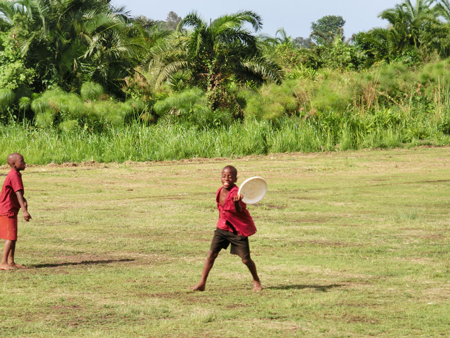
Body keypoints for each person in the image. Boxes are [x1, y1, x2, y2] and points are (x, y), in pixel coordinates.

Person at [192, 165, 262, 291]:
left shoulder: (238, 194)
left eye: (230, 177)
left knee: (246, 260)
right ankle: (201, 283)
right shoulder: (220, 191)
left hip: (237, 231)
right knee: (211, 254)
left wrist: (236, 203)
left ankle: (256, 281)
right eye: (224, 176)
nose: (226, 179)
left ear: (235, 179)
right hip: (222, 229)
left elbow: (239, 210)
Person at [0, 153, 32, 270]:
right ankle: (3, 263)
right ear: (14, 164)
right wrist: (24, 211)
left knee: (13, 236)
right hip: (7, 210)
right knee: (10, 237)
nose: (24, 163)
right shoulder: (14, 175)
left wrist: (24, 200)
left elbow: (17, 193)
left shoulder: (15, 174)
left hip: (10, 209)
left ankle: (11, 262)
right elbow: (18, 193)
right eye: (22, 161)